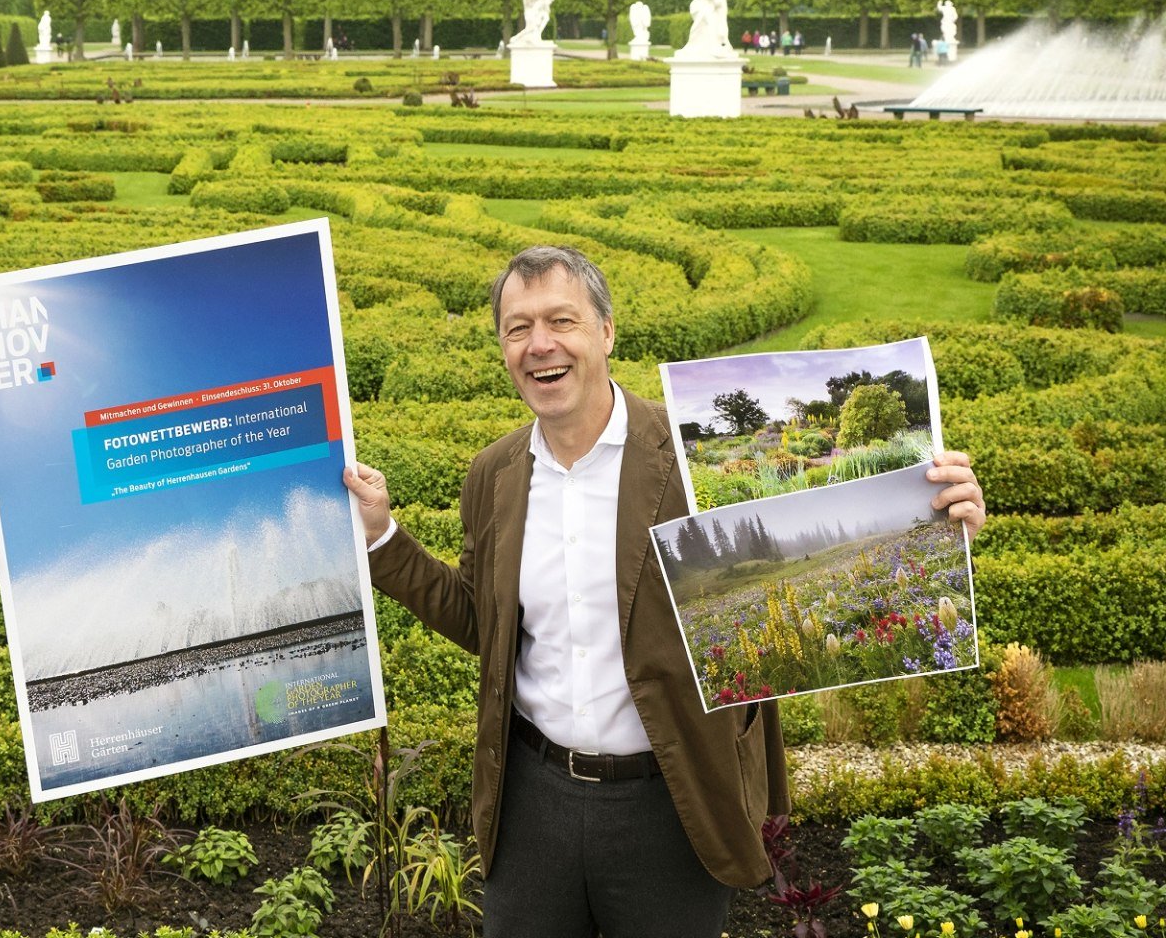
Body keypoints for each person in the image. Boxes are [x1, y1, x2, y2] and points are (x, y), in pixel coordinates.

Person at [342, 246, 987, 937]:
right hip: (532, 806)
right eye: (517, 328)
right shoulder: (493, 473)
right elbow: (480, 620)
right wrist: (383, 538)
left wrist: (933, 516)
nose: (541, 346)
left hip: (672, 804)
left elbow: (812, 539)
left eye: (562, 320)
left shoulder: (687, 458)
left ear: (607, 331)